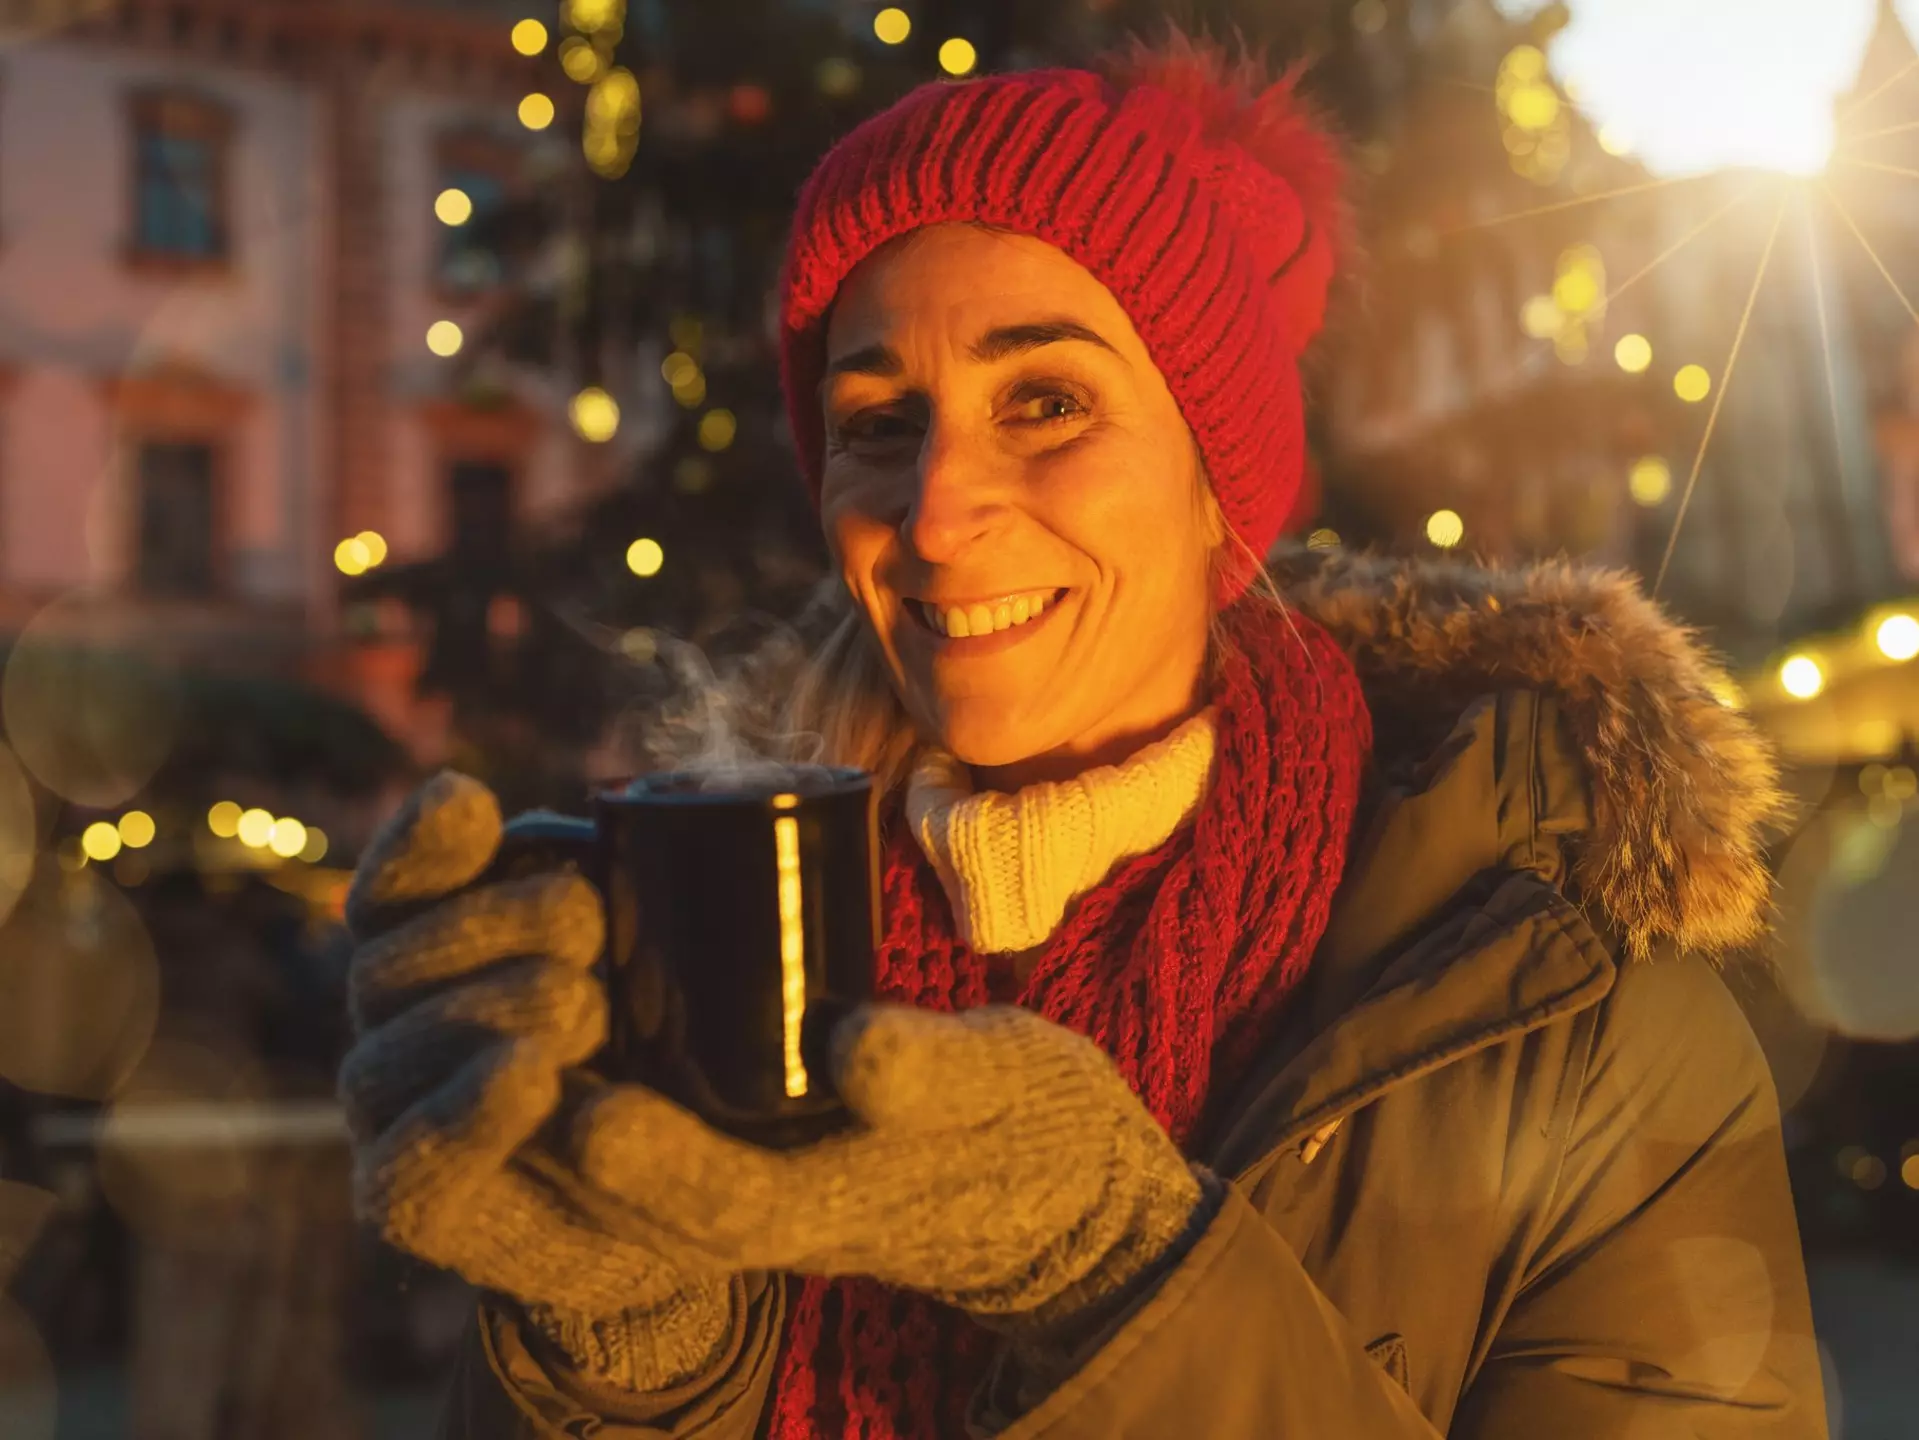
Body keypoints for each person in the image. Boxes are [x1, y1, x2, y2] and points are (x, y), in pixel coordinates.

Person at [338, 36, 1828, 1439]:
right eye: (879, 424)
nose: (935, 512)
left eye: (1045, 401)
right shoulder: (720, 955)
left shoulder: (1572, 1022)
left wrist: (1117, 1274)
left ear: (1214, 489)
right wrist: (628, 1353)